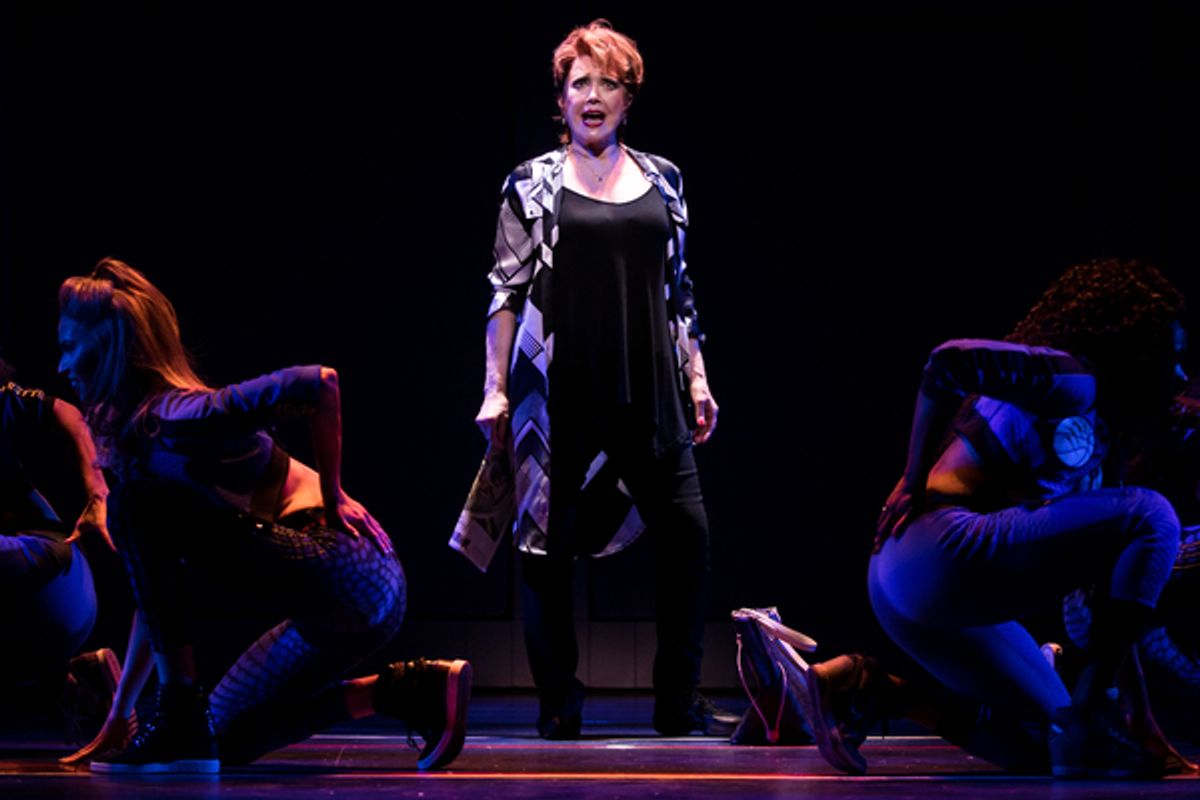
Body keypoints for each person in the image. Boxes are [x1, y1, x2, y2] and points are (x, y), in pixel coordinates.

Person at [55, 258, 470, 773]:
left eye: (70, 348)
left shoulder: (178, 413)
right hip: (353, 599)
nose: (61, 366)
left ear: (107, 350)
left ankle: (180, 712)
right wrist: (120, 716)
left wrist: (335, 493)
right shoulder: (145, 447)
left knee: (133, 505)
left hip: (343, 564)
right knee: (215, 743)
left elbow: (318, 383)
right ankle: (410, 690)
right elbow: (155, 600)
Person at [474, 19, 731, 738]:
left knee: (688, 535)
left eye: (607, 83)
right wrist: (495, 388)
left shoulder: (664, 178)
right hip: (558, 391)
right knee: (546, 550)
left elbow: (679, 290)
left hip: (650, 385)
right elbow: (505, 290)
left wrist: (699, 379)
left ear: (628, 98)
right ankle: (560, 700)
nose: (593, 95)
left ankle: (677, 702)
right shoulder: (532, 182)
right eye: (579, 83)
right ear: (560, 100)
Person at [839, 260, 1189, 778]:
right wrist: (913, 478)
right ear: (1137, 350)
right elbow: (946, 361)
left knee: (1049, 743)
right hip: (937, 548)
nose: (1180, 375)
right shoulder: (1074, 379)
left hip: (915, 590)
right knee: (1155, 513)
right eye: (1172, 357)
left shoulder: (1100, 436)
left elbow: (1113, 611)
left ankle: (870, 689)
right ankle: (1089, 715)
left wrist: (1143, 727)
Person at [0, 358, 121, 738]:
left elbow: (65, 412)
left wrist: (97, 492)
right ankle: (72, 685)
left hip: (50, 570)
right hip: (35, 618)